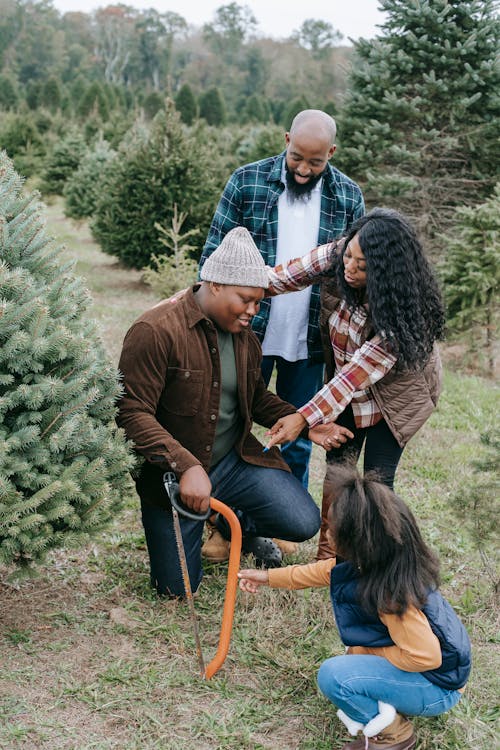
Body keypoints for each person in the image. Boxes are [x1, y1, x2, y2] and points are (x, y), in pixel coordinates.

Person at [116, 226, 320, 598]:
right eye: (246, 300)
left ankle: (234, 524)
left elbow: (255, 398)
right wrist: (186, 466)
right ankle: (205, 517)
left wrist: (305, 420)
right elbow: (131, 412)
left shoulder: (245, 338)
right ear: (215, 285)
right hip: (174, 477)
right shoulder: (155, 329)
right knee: (177, 590)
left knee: (302, 521)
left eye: (259, 302)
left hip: (232, 461)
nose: (253, 311)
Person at [238, 468, 471, 750]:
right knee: (351, 659)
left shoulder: (391, 595)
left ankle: (394, 735)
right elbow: (322, 572)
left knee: (334, 675)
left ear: (356, 538)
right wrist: (267, 578)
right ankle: (391, 698)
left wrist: (367, 652)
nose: (326, 532)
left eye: (331, 528)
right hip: (437, 676)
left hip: (438, 688)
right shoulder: (381, 561)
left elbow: (426, 657)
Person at [263, 208, 445, 559]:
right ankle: (330, 557)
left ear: (386, 272)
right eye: (349, 256)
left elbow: (355, 375)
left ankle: (377, 559)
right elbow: (280, 277)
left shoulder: (406, 314)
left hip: (396, 397)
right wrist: (212, 289)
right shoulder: (339, 253)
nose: (350, 267)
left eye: (362, 266)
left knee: (378, 481)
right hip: (347, 387)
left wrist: (302, 418)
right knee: (337, 470)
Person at [200, 109, 364, 488]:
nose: (304, 169)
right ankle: (224, 522)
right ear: (286, 140)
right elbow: (213, 257)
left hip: (311, 338)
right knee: (231, 423)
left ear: (332, 153)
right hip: (248, 329)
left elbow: (355, 273)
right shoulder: (247, 182)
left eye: (316, 162)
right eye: (297, 158)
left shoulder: (348, 197)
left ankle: (284, 521)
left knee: (299, 430)